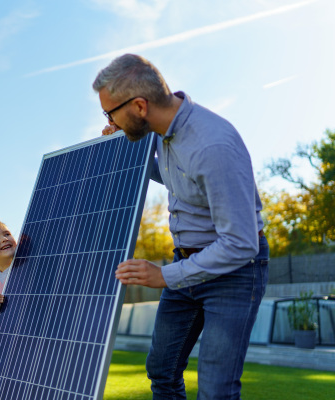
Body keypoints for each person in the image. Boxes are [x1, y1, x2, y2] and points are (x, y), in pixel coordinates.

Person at [92, 54, 269, 399]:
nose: (110, 120)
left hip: (235, 272)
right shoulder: (162, 132)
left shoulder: (213, 145)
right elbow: (176, 176)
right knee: (162, 370)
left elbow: (241, 243)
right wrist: (126, 144)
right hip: (186, 263)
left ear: (140, 105)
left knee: (216, 390)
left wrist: (164, 277)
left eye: (111, 112)